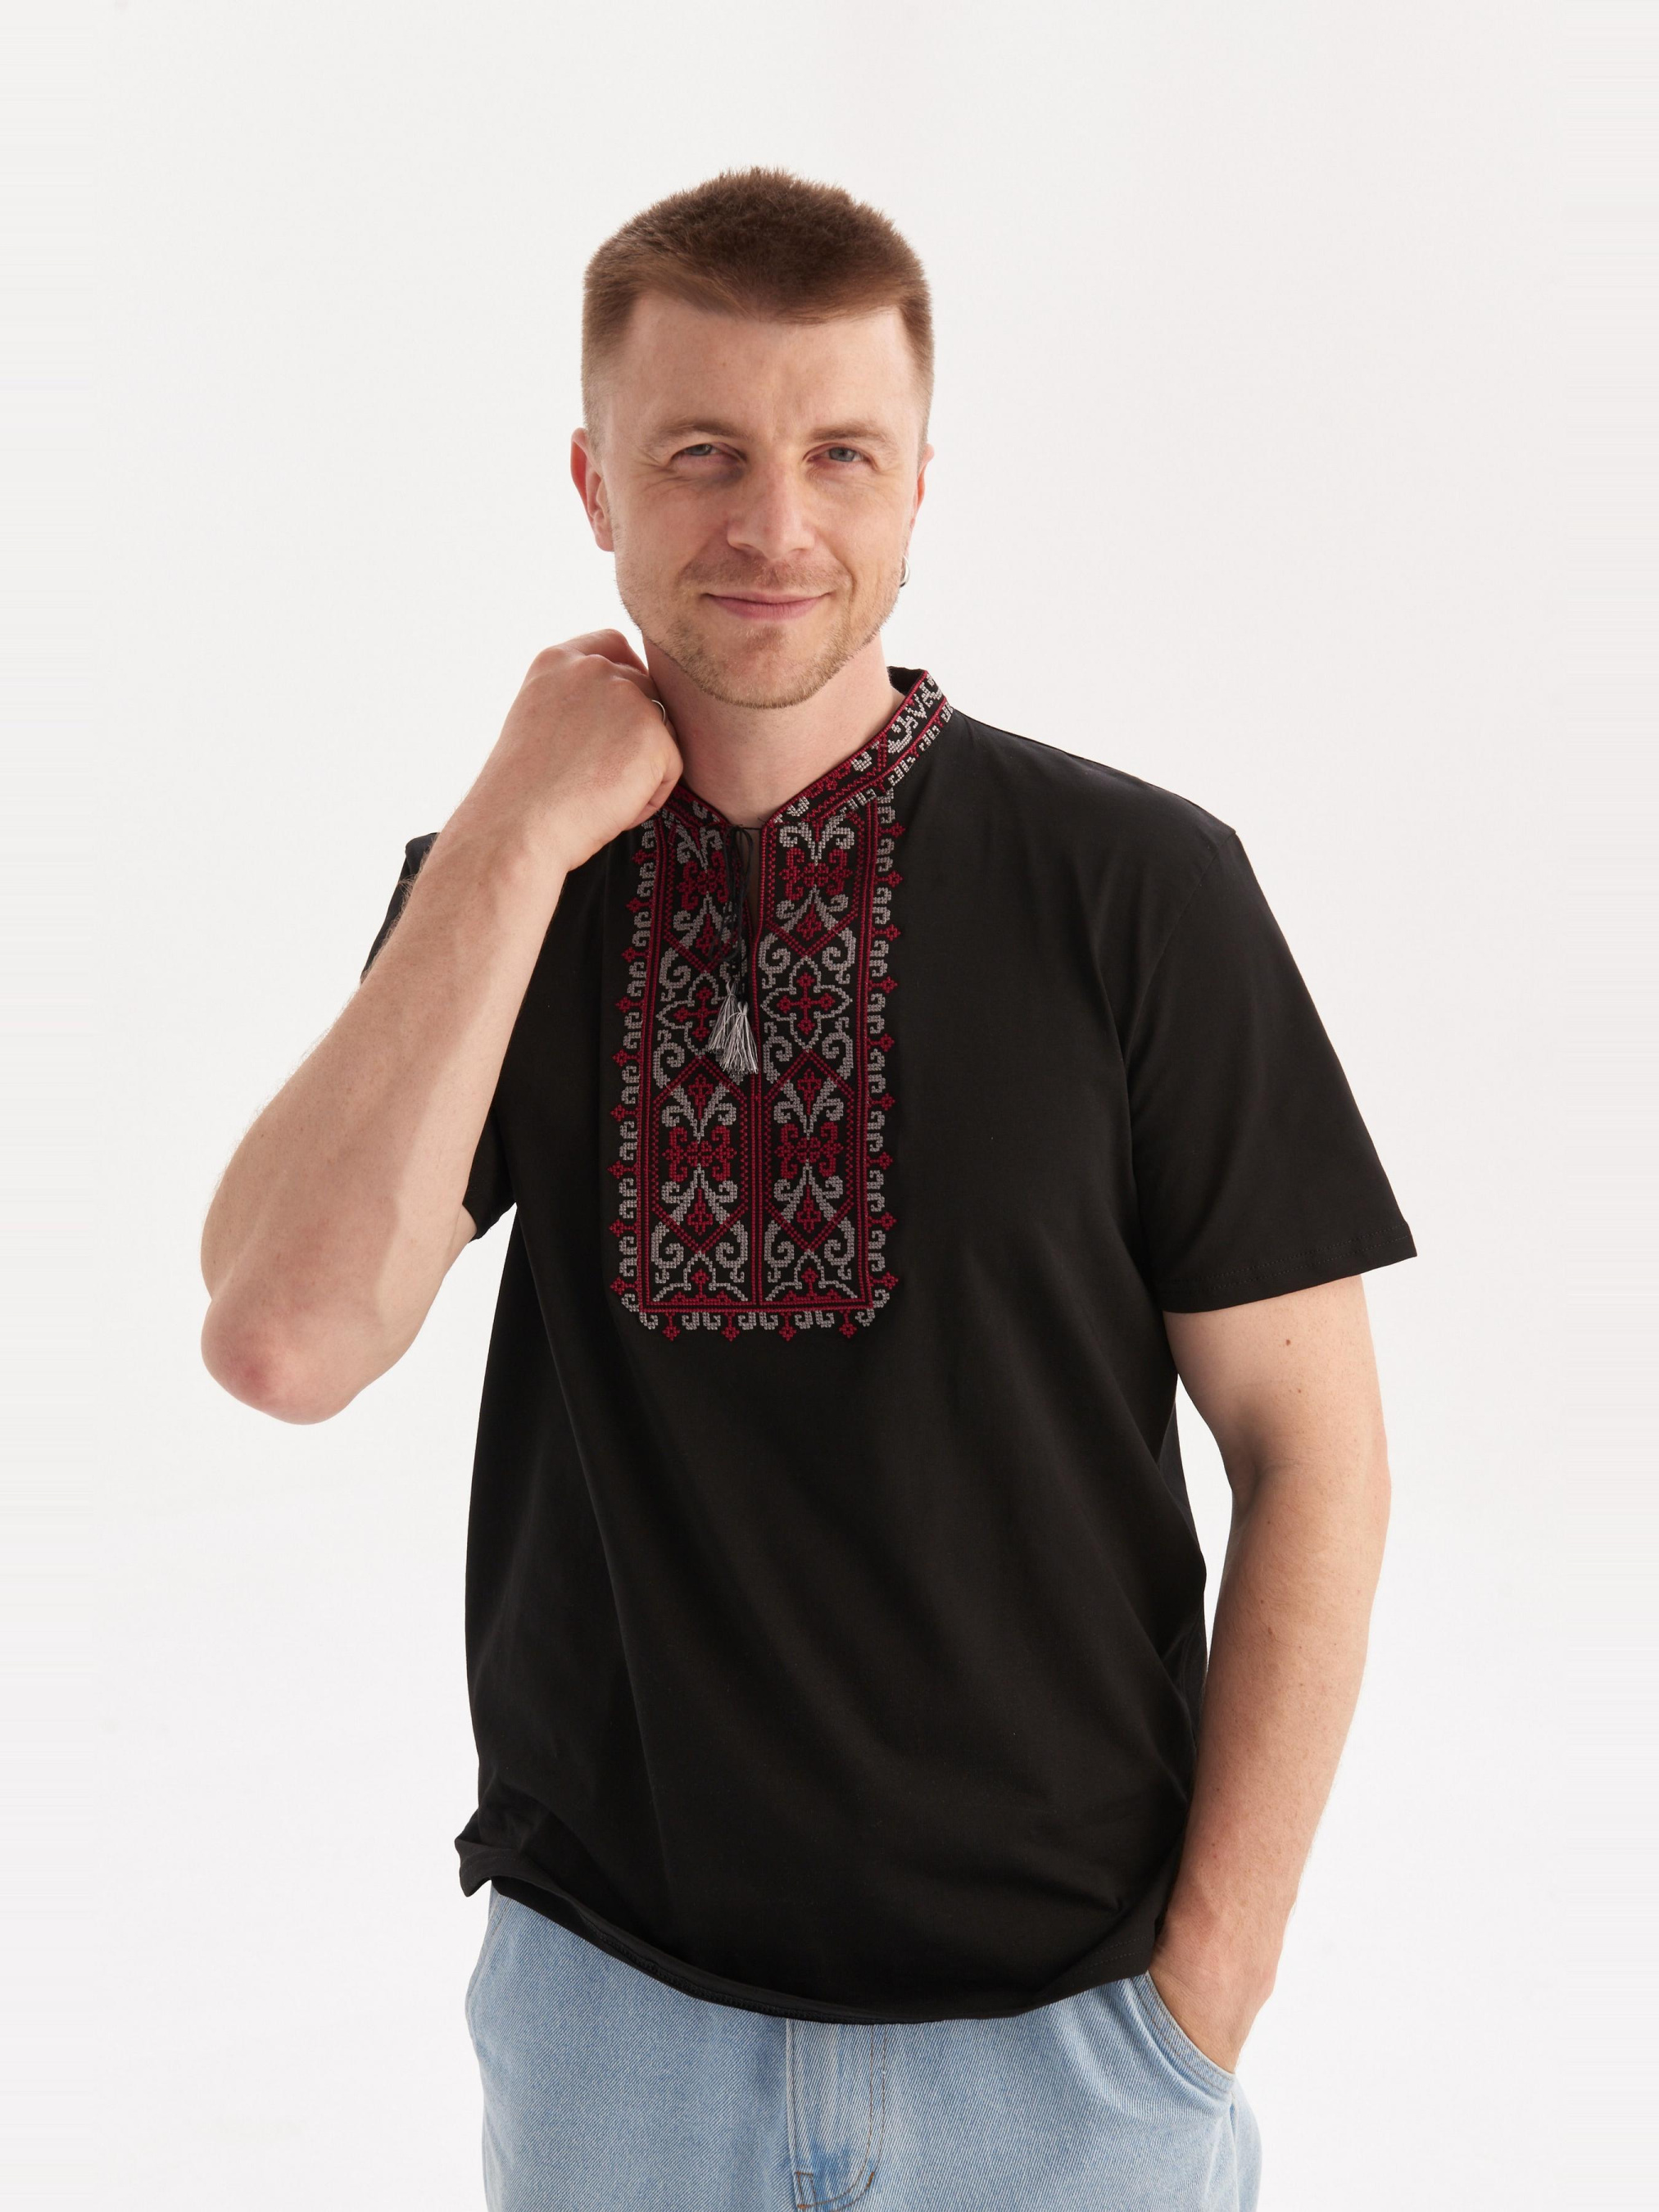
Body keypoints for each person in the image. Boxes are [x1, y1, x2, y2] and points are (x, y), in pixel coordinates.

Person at [199, 168, 1416, 2212]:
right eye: (701, 455)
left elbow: (1314, 1456)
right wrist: (507, 832)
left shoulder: (1136, 890)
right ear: (591, 483)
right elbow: (284, 1340)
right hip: (614, 2030)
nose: (773, 524)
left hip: (1070, 2052)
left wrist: (1201, 1996)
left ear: (920, 482)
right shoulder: (501, 897)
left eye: (839, 453)